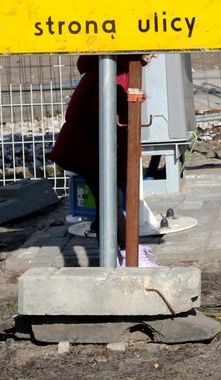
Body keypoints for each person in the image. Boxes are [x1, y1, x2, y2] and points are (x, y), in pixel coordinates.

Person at [49, 54, 155, 266]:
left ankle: (112, 254)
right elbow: (104, 115)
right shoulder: (116, 72)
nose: (154, 53)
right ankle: (127, 255)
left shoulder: (108, 67)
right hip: (93, 151)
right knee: (111, 204)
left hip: (88, 149)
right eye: (150, 49)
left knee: (105, 204)